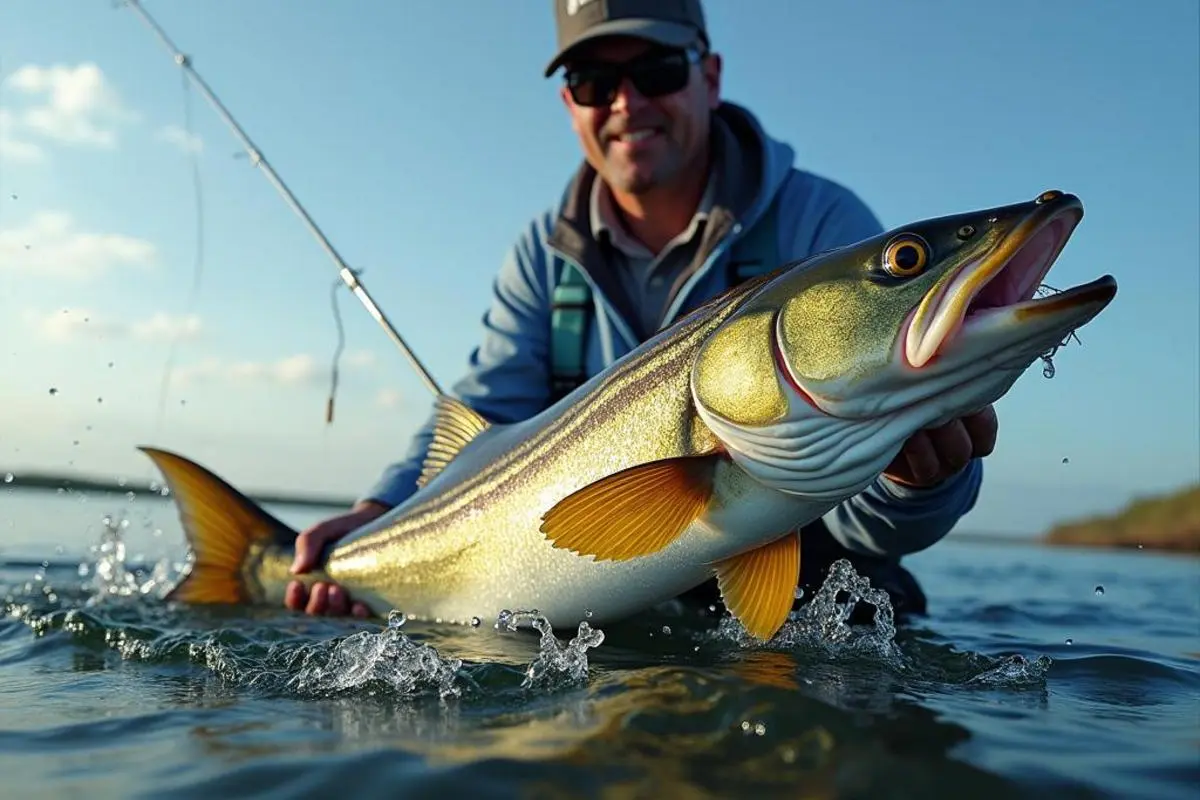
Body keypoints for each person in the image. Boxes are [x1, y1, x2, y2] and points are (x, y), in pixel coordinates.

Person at [284, 0, 996, 622]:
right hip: (578, 585)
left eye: (656, 70)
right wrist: (377, 513)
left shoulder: (822, 225)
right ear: (570, 108)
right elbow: (480, 409)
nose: (627, 103)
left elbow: (865, 519)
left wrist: (917, 486)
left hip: (802, 584)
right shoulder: (542, 252)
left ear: (709, 76)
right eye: (593, 83)